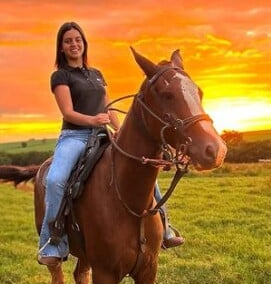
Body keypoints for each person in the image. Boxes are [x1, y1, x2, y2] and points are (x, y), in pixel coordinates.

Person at [37, 22, 183, 267]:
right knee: (55, 180)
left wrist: (118, 129)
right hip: (74, 136)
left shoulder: (96, 74)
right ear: (61, 48)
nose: (74, 44)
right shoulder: (60, 76)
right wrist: (92, 120)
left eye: (78, 40)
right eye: (68, 41)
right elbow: (68, 112)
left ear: (84, 44)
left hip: (102, 134)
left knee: (146, 171)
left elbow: (107, 106)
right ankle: (53, 241)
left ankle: (165, 229)